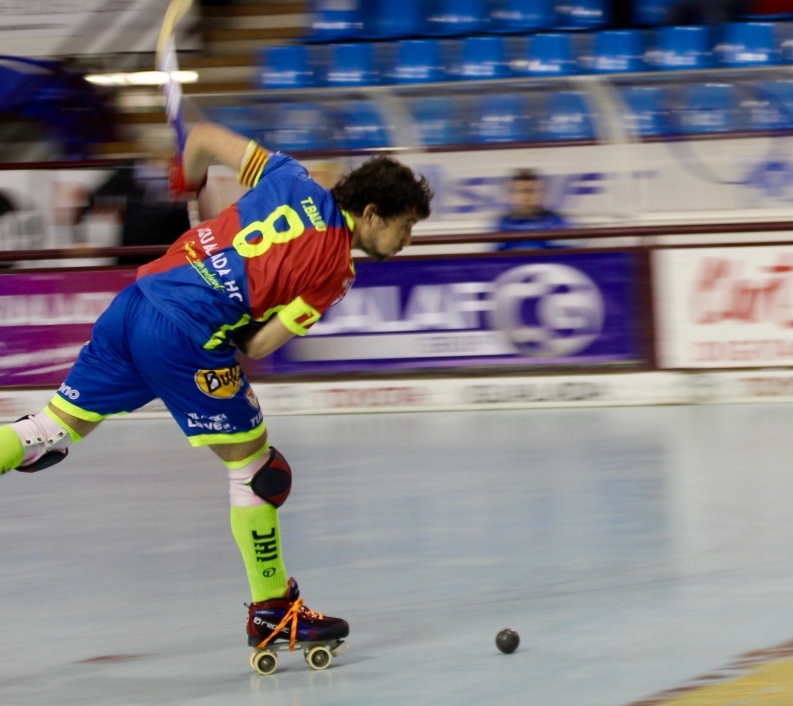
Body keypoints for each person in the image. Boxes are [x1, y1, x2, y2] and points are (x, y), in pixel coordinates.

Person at [0, 123, 432, 659]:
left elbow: (200, 135)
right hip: (184, 335)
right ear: (371, 213)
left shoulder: (287, 173)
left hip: (135, 301)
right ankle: (274, 614)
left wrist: (189, 177)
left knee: (48, 430)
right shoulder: (335, 271)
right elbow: (258, 344)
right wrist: (244, 305)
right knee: (258, 470)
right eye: (406, 226)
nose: (407, 240)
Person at [494, 168, 569, 251]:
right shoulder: (502, 224)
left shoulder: (556, 222)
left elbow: (567, 255)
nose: (525, 197)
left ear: (541, 193)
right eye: (520, 191)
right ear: (510, 195)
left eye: (531, 191)